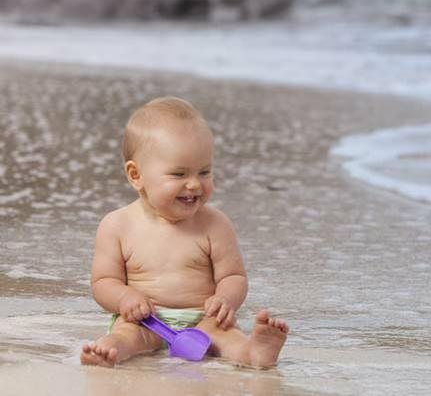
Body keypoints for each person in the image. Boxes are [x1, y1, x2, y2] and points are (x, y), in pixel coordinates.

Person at [80, 96, 288, 368]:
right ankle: (108, 352)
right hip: (146, 320)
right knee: (126, 335)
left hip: (204, 318)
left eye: (204, 172)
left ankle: (254, 353)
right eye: (179, 175)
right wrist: (125, 298)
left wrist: (225, 299)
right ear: (135, 175)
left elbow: (233, 276)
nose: (194, 185)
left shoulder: (215, 224)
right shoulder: (117, 225)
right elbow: (103, 282)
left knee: (224, 335)